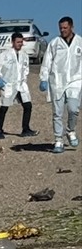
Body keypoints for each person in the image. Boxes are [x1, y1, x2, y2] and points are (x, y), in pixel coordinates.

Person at [39, 16, 81, 153]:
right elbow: (47, 61)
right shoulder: (54, 43)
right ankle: (58, 140)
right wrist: (43, 78)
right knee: (57, 112)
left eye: (65, 28)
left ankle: (71, 131)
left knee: (73, 109)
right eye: (61, 28)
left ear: (71, 27)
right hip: (57, 81)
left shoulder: (80, 42)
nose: (63, 30)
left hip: (75, 80)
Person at [0, 32, 36, 139]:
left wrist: (24, 79)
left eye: (21, 42)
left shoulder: (24, 55)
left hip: (20, 84)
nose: (20, 44)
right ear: (12, 42)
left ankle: (25, 129)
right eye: (18, 42)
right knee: (4, 107)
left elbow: (25, 68)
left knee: (27, 106)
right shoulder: (5, 54)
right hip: (8, 84)